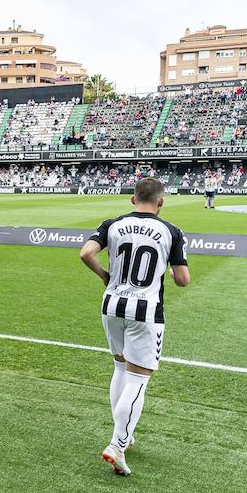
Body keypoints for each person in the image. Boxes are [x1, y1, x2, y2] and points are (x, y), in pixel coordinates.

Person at [79, 178, 191, 476]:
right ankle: (118, 442)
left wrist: (105, 274)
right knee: (139, 378)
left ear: (132, 199)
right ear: (161, 201)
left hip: (112, 304)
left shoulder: (112, 224)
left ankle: (123, 437)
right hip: (146, 310)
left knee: (119, 369)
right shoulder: (171, 231)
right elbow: (183, 280)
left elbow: (85, 253)